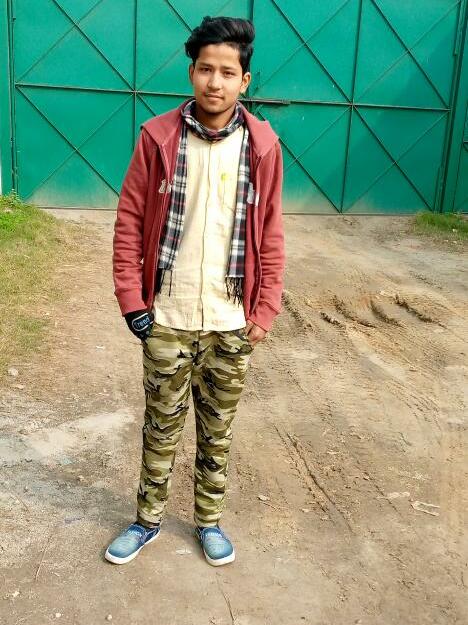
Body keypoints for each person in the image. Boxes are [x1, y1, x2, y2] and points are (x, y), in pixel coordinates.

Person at [106, 15, 285, 567]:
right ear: (191, 72)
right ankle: (147, 520)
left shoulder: (262, 146)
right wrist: (133, 302)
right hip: (169, 314)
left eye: (227, 72)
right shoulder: (158, 137)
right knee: (160, 427)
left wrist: (265, 308)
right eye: (206, 69)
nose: (215, 82)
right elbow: (129, 222)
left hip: (231, 321)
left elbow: (271, 231)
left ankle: (208, 521)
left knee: (217, 431)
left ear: (244, 81)